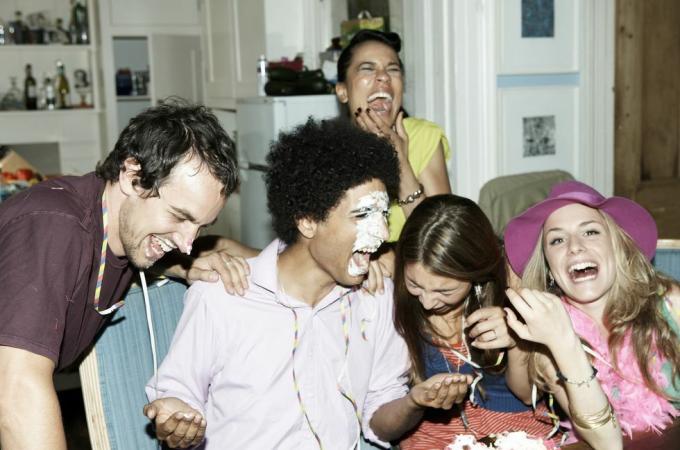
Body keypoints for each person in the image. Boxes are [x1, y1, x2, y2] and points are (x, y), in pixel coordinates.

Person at [143, 118, 473, 449]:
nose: (382, 234)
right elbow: (177, 394)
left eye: (383, 215)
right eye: (362, 215)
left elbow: (380, 416)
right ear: (308, 221)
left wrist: (413, 402)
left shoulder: (375, 298)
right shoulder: (224, 294)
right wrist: (176, 418)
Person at [0, 99, 242, 450]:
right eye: (179, 216)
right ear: (132, 177)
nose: (188, 243)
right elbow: (16, 389)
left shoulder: (121, 232)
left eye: (200, 226)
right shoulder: (54, 225)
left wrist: (173, 262)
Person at [503, 181, 680, 448]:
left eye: (591, 232)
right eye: (558, 240)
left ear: (618, 246)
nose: (574, 247)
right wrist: (564, 344)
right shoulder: (547, 342)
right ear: (550, 267)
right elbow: (607, 443)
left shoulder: (670, 302)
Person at [392, 195, 555, 449]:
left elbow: (526, 395)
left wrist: (516, 340)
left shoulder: (511, 288)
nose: (426, 302)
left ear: (476, 273)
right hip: (437, 436)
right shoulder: (393, 296)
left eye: (444, 292)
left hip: (514, 428)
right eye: (415, 284)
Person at [335, 29, 452, 244]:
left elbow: (444, 241)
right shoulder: (325, 150)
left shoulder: (422, 137)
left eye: (393, 69)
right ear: (342, 91)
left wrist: (401, 165)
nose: (383, 77)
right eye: (368, 68)